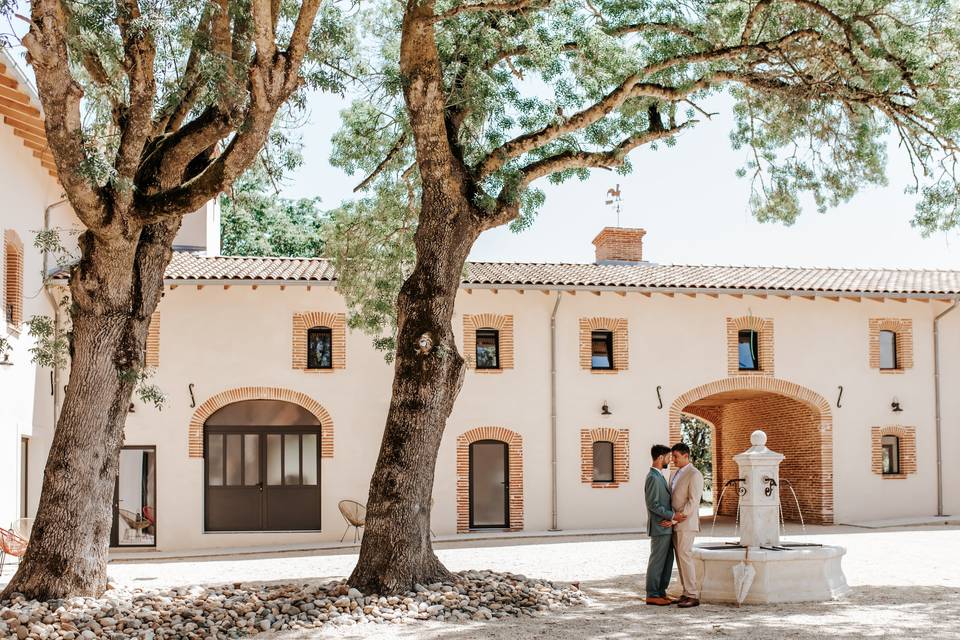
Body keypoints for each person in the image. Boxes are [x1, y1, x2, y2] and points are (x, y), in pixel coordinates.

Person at [644, 444, 684, 606]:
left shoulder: (659, 476)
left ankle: (661, 592)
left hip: (666, 527)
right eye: (668, 457)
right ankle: (652, 594)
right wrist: (673, 515)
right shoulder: (653, 477)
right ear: (660, 458)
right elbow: (653, 504)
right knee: (657, 561)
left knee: (667, 561)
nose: (670, 460)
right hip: (659, 526)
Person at [670, 441, 705, 608]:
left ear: (686, 456)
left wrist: (678, 517)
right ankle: (685, 593)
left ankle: (693, 595)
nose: (673, 460)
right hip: (675, 522)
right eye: (672, 456)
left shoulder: (694, 474)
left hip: (686, 522)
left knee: (686, 557)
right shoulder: (675, 474)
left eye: (676, 456)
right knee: (680, 559)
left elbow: (693, 502)